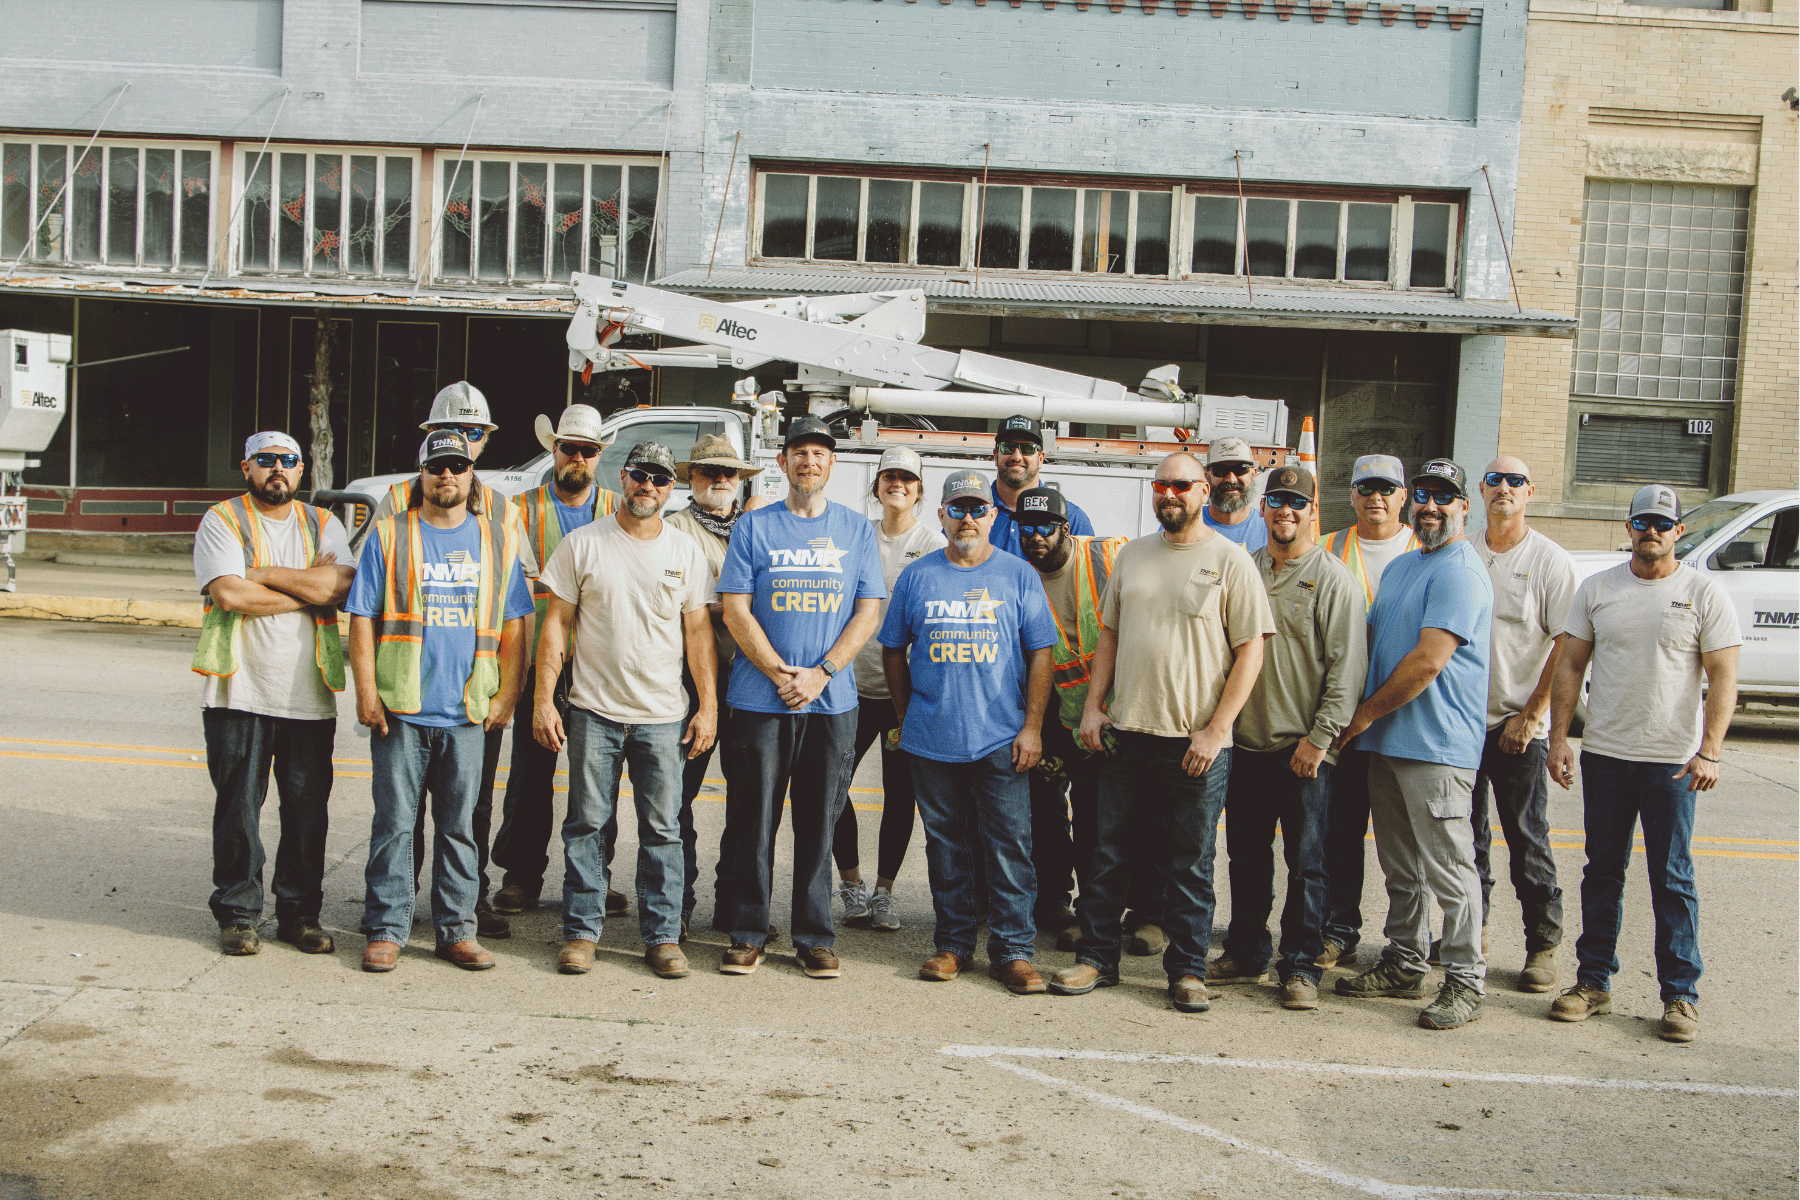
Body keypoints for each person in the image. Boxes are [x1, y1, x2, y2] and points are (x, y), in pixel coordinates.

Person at [1048, 452, 1274, 1014]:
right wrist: (1095, 708)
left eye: (1181, 485)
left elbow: (1251, 651)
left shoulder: (1231, 561)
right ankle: (1098, 959)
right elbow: (1109, 637)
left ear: (1202, 491)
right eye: (1161, 486)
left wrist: (1217, 729)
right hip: (1126, 735)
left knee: (1190, 862)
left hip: (1194, 744)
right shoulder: (1132, 558)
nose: (1169, 495)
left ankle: (1188, 970)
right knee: (1107, 853)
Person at [1546, 484, 1740, 1044]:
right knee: (1602, 870)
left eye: (1662, 523)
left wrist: (1711, 750)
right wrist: (1560, 739)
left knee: (1672, 876)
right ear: (1628, 529)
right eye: (1641, 522)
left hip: (1672, 764)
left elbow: (1723, 677)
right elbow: (1569, 667)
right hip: (1607, 755)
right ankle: (1593, 982)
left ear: (1679, 531)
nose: (1650, 531)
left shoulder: (1703, 592)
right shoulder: (1597, 589)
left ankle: (1680, 995)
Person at [347, 430, 533, 973]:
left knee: (460, 827)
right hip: (402, 707)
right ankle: (387, 927)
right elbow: (362, 617)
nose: (447, 475)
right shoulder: (389, 534)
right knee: (395, 824)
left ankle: (457, 929)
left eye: (457, 465)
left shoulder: (497, 538)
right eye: (437, 467)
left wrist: (508, 695)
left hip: (468, 710)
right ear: (421, 474)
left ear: (471, 472)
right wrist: (366, 691)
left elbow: (516, 623)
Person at [532, 442, 716, 980]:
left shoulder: (684, 552)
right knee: (587, 824)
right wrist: (545, 699)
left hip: (663, 715)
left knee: (663, 829)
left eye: (660, 479)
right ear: (624, 477)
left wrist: (707, 707)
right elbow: (555, 626)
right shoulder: (582, 544)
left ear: (670, 488)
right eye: (640, 475)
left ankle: (661, 936)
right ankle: (582, 933)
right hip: (594, 710)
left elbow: (698, 631)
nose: (648, 487)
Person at [714, 415, 885, 978]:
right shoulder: (753, 527)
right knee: (752, 819)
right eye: (799, 452)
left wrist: (823, 672)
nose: (809, 461)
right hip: (760, 700)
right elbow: (735, 607)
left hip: (831, 703)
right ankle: (748, 930)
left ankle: (814, 934)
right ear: (782, 462)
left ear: (832, 465)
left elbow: (867, 610)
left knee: (820, 821)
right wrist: (777, 670)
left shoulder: (856, 531)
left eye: (819, 453)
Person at [880, 469, 1058, 994]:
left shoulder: (1018, 575)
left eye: (978, 508)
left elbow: (1040, 653)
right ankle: (953, 944)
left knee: (1009, 847)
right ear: (941, 515)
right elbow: (893, 649)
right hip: (932, 739)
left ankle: (1014, 952)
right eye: (957, 508)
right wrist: (905, 712)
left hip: (1001, 739)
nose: (968, 518)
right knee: (945, 846)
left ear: (993, 515)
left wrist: (1032, 727)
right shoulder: (918, 576)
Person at [1333, 459, 1492, 1030]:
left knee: (1449, 867)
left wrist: (1360, 716)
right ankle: (1404, 960)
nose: (1432, 505)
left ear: (1464, 507)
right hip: (1389, 743)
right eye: (1424, 495)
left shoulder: (1460, 571)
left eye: (1444, 497)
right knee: (1402, 867)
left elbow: (1427, 663)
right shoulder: (1405, 568)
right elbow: (1373, 643)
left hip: (1437, 746)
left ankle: (1466, 977)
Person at [191, 432, 355, 956]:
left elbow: (343, 587)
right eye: (266, 461)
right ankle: (239, 914)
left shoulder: (323, 522)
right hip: (237, 691)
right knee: (238, 809)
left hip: (308, 694)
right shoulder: (222, 520)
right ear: (247, 467)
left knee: (308, 811)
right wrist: (307, 591)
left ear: (302, 470)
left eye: (287, 461)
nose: (277, 469)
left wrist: (263, 574)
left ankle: (299, 914)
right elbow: (230, 593)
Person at [1211, 465, 1367, 1011]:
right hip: (1245, 746)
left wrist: (1320, 740)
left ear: (1312, 511)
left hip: (1303, 751)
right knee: (1246, 856)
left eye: (1296, 502)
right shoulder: (1245, 570)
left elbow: (1347, 670)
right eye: (1276, 499)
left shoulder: (1333, 579)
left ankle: (1300, 966)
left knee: (1308, 863)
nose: (1285, 510)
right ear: (1262, 507)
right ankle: (1246, 950)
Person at [489, 405, 620, 920]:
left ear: (597, 457)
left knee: (598, 779)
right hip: (534, 662)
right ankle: (521, 875)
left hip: (598, 663)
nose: (578, 458)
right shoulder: (518, 509)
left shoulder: (618, 506)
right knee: (530, 774)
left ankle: (594, 876)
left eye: (587, 451)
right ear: (554, 450)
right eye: (570, 448)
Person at [1470, 456, 1577, 993]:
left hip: (1517, 725)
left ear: (1530, 492)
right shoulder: (1463, 554)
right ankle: (1472, 933)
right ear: (1481, 492)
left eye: (1514, 481)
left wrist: (1533, 715)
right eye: (1494, 480)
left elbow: (1567, 644)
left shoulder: (1551, 562)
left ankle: (1542, 945)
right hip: (1462, 723)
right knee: (1466, 839)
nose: (1504, 488)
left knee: (1526, 838)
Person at [829, 446, 945, 931]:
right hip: (849, 688)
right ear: (876, 486)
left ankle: (885, 893)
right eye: (888, 477)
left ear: (919, 489)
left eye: (907, 478)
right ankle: (852, 885)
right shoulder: (856, 535)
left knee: (901, 796)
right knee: (833, 788)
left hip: (905, 695)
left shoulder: (934, 543)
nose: (897, 484)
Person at [1015, 487, 1134, 948]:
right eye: (1027, 528)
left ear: (1066, 528)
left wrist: (1103, 709)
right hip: (1054, 714)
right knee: (1045, 815)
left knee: (1097, 819)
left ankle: (1099, 914)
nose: (1037, 536)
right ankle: (1054, 905)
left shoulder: (1108, 556)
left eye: (1047, 527)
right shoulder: (1022, 578)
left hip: (1110, 711)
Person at [1317, 453, 1421, 970]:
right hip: (1344, 718)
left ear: (1403, 495)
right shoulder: (1328, 548)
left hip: (1408, 715)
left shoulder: (1430, 548)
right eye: (1366, 488)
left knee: (1415, 839)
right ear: (1352, 494)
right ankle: (1338, 930)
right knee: (1340, 830)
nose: (1376, 498)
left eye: (1387, 488)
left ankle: (1420, 943)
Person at [665, 433, 766, 939]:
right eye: (708, 472)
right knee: (676, 800)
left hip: (750, 683)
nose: (720, 480)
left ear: (741, 481)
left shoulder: (756, 529)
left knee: (749, 801)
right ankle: (676, 906)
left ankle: (734, 906)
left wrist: (727, 606)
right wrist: (734, 605)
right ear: (691, 478)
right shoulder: (673, 531)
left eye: (728, 473)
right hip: (690, 682)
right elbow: (677, 608)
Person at [986, 415, 1095, 558]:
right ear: (995, 456)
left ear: (1041, 459)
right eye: (1007, 448)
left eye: (1027, 448)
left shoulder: (1072, 518)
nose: (1017, 456)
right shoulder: (972, 514)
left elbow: (1087, 576)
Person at [1200, 436, 1268, 553]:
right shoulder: (1185, 524)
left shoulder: (1270, 530)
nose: (1231, 479)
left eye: (1240, 469)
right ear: (1207, 476)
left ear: (1253, 473)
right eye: (1220, 471)